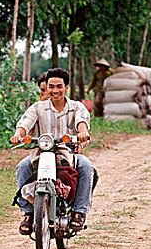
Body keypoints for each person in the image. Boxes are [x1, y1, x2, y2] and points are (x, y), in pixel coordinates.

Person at [11, 68, 94, 235]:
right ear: (46, 87)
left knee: (86, 167)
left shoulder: (76, 107)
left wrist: (82, 132)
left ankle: (79, 212)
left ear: (66, 87)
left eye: (59, 86)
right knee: (22, 167)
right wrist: (18, 134)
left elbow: (82, 120)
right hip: (41, 153)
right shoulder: (38, 108)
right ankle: (27, 213)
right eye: (51, 86)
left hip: (68, 153)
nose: (55, 90)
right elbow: (25, 123)